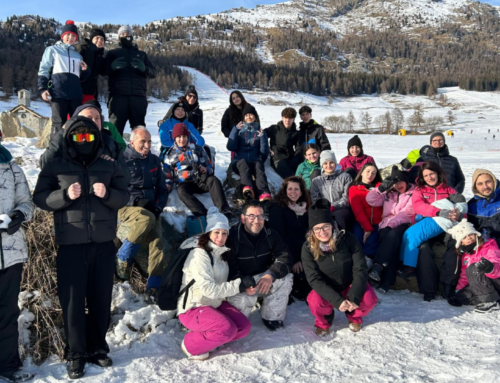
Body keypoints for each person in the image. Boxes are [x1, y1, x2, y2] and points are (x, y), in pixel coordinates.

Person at [33, 117, 130, 379]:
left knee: (101, 299)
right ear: (70, 138)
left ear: (97, 138)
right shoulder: (56, 164)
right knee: (73, 303)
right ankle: (75, 353)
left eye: (89, 137)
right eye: (79, 137)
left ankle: (98, 348)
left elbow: (125, 194)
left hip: (103, 244)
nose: (85, 141)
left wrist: (107, 194)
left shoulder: (108, 163)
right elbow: (39, 197)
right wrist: (64, 196)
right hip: (71, 244)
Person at [177, 207, 253, 361]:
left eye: (224, 233)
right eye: (216, 232)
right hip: (193, 307)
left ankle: (211, 339)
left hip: (214, 304)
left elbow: (219, 287)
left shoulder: (220, 255)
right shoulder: (199, 254)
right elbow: (208, 289)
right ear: (209, 233)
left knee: (243, 327)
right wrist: (239, 285)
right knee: (227, 329)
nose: (220, 237)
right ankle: (190, 345)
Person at [302, 198, 378, 336]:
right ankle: (324, 321)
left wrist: (354, 297)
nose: (322, 231)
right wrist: (337, 301)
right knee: (315, 301)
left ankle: (354, 316)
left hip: (349, 284)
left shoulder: (348, 239)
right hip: (328, 288)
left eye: (325, 226)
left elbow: (360, 268)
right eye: (317, 228)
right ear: (312, 231)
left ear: (332, 225)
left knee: (369, 299)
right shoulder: (308, 248)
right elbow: (314, 278)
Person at [116, 127, 169, 298]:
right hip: (127, 207)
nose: (147, 145)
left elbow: (162, 189)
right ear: (132, 143)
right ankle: (123, 257)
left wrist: (157, 207)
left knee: (158, 242)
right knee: (145, 219)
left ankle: (153, 286)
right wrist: (135, 201)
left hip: (150, 208)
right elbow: (116, 188)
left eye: (149, 141)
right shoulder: (122, 160)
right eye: (142, 142)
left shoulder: (154, 161)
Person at [398, 162, 462, 302]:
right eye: (426, 175)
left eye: (431, 174)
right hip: (429, 224)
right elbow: (418, 206)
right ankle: (428, 289)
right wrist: (438, 212)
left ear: (438, 173)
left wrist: (459, 216)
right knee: (424, 248)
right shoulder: (420, 190)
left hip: (447, 227)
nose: (429, 177)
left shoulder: (449, 190)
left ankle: (448, 287)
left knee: (454, 247)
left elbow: (461, 208)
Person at [227, 200, 294, 331]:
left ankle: (272, 317)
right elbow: (227, 269)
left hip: (263, 279)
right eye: (251, 216)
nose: (256, 220)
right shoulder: (232, 238)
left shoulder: (270, 234)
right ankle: (237, 323)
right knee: (239, 311)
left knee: (286, 278)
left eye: (260, 216)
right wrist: (244, 283)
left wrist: (271, 274)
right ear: (243, 218)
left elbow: (285, 256)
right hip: (241, 283)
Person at [0, 132, 35, 383]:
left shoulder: (12, 169)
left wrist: (19, 217)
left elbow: (27, 204)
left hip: (10, 254)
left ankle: (8, 365)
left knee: (7, 312)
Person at [163, 123, 230, 218]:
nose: (182, 139)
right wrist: (168, 186)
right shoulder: (169, 154)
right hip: (185, 183)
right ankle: (203, 214)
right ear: (174, 137)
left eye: (184, 136)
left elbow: (209, 166)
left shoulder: (197, 149)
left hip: (201, 180)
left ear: (187, 136)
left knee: (213, 180)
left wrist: (206, 169)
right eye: (179, 137)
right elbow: (167, 174)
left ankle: (224, 210)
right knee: (181, 191)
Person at [366, 166, 416, 292]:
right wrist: (381, 188)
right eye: (394, 183)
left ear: (406, 181)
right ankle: (386, 282)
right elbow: (370, 200)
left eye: (400, 181)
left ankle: (378, 267)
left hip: (404, 224)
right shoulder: (389, 193)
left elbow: (406, 213)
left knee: (392, 236)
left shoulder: (413, 193)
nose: (398, 185)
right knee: (391, 244)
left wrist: (389, 224)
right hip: (386, 225)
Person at [38, 20, 90, 139]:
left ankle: (75, 151)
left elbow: (81, 78)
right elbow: (44, 69)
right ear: (63, 36)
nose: (70, 38)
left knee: (76, 124)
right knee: (58, 124)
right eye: (68, 35)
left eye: (73, 36)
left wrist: (86, 71)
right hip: (58, 93)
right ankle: (56, 153)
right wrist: (42, 88)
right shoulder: (52, 50)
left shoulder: (78, 56)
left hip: (75, 95)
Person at [40, 102, 126, 169]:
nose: (94, 121)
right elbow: (45, 165)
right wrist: (62, 133)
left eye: (97, 118)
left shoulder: (110, 142)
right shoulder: (66, 140)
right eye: (88, 118)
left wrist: (113, 165)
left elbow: (124, 176)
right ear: (76, 120)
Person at [105, 25, 157, 136]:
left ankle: (140, 153)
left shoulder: (142, 55)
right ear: (119, 37)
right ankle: (112, 153)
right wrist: (112, 67)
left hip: (138, 97)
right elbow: (102, 71)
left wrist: (144, 68)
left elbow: (153, 73)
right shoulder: (112, 53)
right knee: (114, 130)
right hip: (118, 96)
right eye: (123, 34)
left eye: (128, 34)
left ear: (132, 36)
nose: (126, 36)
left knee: (139, 130)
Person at [268, 176, 312, 301]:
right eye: (290, 189)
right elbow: (279, 237)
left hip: (304, 249)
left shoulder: (306, 208)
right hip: (286, 250)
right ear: (284, 190)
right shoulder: (277, 208)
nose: (293, 192)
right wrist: (295, 259)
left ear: (301, 191)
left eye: (296, 189)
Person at [448, 220, 500, 313]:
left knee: (474, 267)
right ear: (461, 242)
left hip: (496, 279)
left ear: (476, 234)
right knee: (462, 296)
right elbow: (464, 276)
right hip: (484, 285)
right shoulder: (466, 255)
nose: (469, 238)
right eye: (464, 237)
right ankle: (494, 298)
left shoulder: (489, 245)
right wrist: (458, 291)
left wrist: (490, 268)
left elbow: (496, 262)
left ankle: (490, 302)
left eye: (471, 234)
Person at [226, 104, 271, 202]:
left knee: (259, 167)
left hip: (255, 159)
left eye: (251, 115)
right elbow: (230, 147)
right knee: (243, 164)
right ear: (244, 117)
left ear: (255, 117)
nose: (249, 117)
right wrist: (235, 130)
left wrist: (263, 137)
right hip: (239, 161)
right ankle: (247, 189)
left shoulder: (260, 131)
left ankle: (263, 192)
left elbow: (264, 153)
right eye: (246, 115)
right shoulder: (239, 130)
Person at [310, 150, 353, 230]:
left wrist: (333, 206)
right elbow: (315, 198)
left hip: (342, 209)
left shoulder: (345, 177)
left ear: (335, 163)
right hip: (323, 209)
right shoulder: (316, 181)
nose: (329, 165)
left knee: (336, 216)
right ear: (322, 165)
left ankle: (338, 237)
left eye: (331, 162)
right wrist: (324, 207)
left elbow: (346, 198)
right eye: (325, 163)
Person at [348, 163, 383, 260]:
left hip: (378, 222)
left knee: (372, 241)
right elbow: (358, 210)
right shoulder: (354, 188)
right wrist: (367, 228)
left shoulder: (381, 188)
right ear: (362, 172)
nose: (370, 175)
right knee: (358, 239)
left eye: (373, 173)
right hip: (361, 221)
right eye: (367, 171)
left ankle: (368, 261)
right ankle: (356, 261)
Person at [265, 107, 301, 179]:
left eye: (290, 118)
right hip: (278, 158)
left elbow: (299, 148)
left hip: (290, 158)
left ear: (293, 119)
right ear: (282, 118)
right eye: (285, 118)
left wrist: (296, 158)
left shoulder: (296, 133)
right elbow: (261, 136)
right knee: (293, 177)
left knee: (301, 172)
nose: (287, 120)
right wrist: (266, 148)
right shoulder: (274, 128)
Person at [467, 169, 500, 247]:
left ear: (494, 181)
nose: (485, 186)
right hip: (484, 248)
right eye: (480, 184)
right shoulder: (471, 205)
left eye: (488, 182)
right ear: (475, 187)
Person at [78, 28, 107, 102]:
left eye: (102, 39)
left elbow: (103, 72)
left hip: (91, 92)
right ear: (91, 39)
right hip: (79, 90)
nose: (100, 40)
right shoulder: (84, 49)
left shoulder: (100, 55)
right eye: (97, 38)